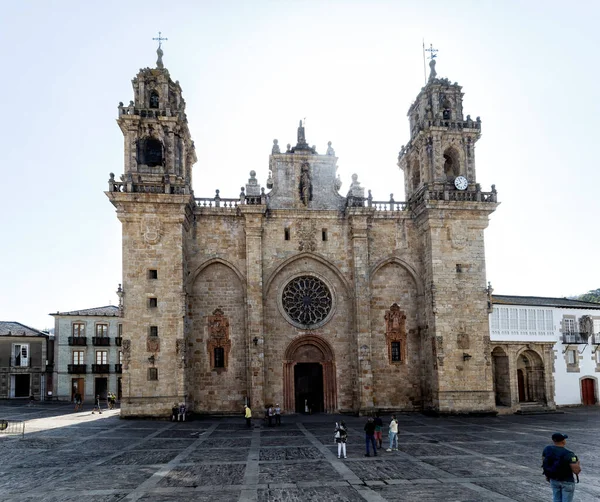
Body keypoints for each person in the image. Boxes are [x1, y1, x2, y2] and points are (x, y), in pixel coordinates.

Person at [542, 432, 581, 502]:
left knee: (556, 499)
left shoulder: (547, 449)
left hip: (553, 479)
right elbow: (576, 471)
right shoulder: (570, 454)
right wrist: (578, 463)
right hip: (567, 481)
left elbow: (544, 462)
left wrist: (547, 475)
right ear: (563, 441)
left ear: (554, 440)